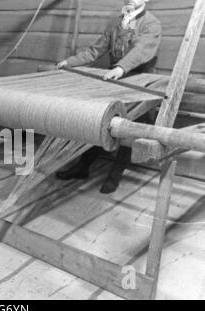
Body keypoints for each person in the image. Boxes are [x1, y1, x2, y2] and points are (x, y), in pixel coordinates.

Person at [55, 0, 162, 193]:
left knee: (130, 129)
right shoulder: (116, 23)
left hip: (141, 84)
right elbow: (93, 51)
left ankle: (115, 175)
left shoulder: (151, 24)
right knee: (101, 122)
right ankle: (83, 167)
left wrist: (121, 67)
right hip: (115, 80)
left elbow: (142, 50)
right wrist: (69, 62)